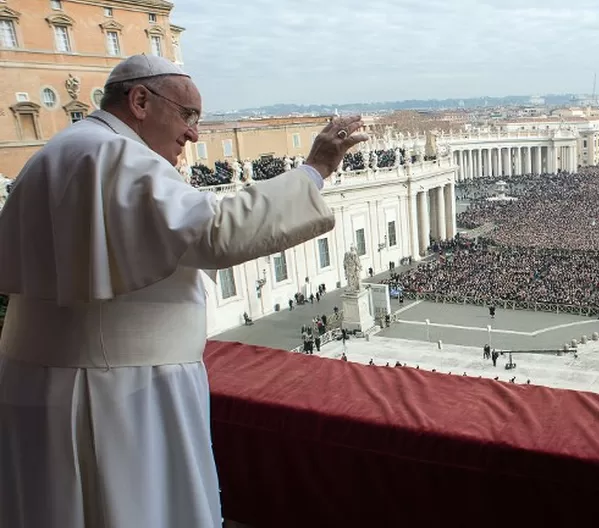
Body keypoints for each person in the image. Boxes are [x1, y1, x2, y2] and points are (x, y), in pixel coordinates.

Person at [0, 54, 367, 528]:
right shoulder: (112, 154)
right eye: (188, 115)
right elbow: (215, 233)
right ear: (139, 101)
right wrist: (315, 169)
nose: (194, 133)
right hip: (118, 391)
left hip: (50, 379)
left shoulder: (63, 150)